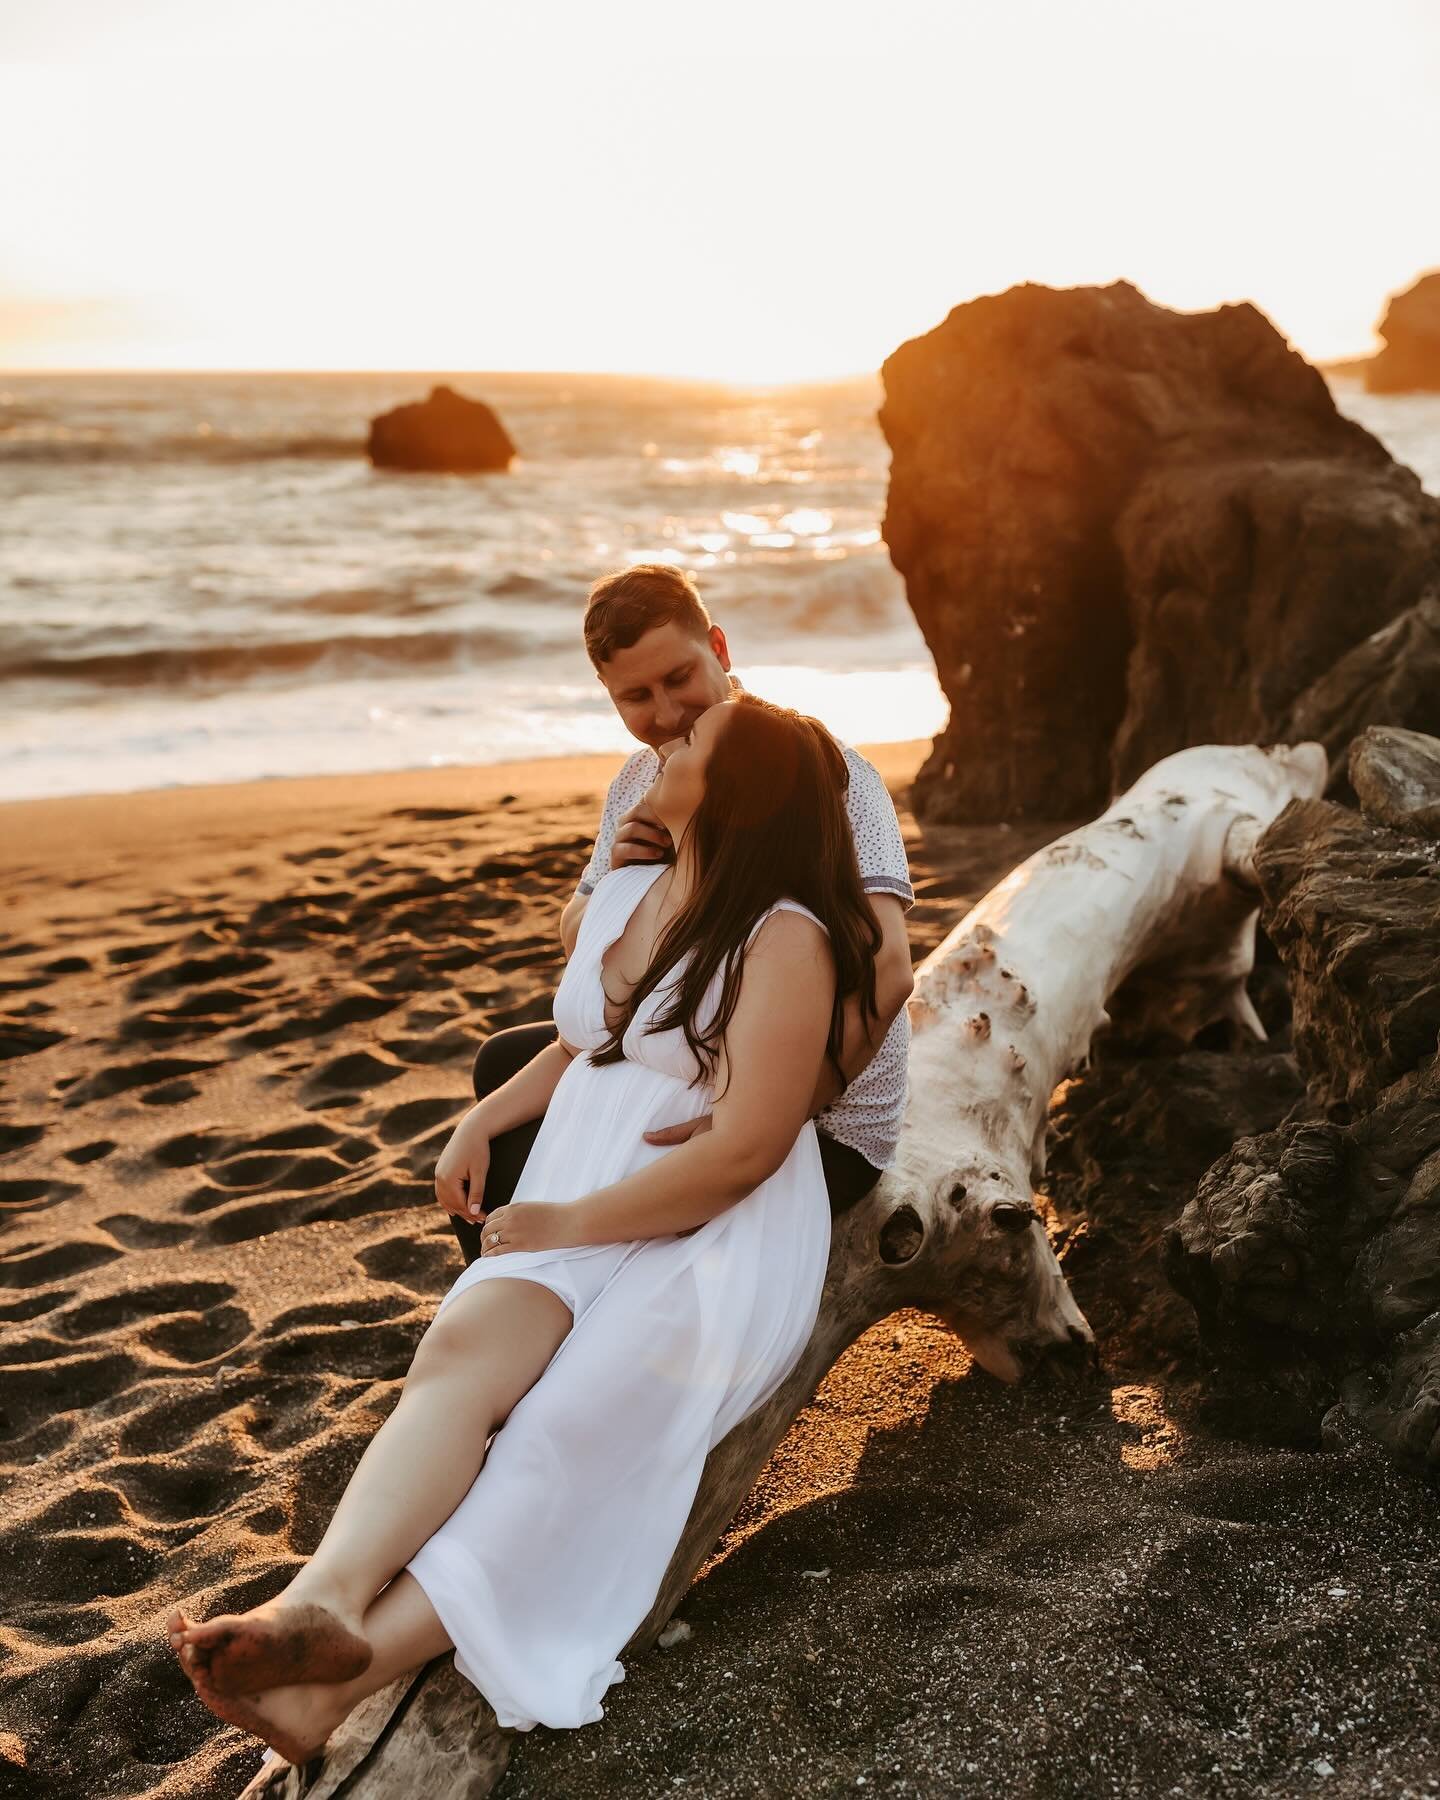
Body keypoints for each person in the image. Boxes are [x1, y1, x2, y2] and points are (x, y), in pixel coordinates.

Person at [166, 693, 892, 1763]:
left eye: (692, 741)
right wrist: (484, 1117)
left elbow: (742, 1152)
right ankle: (314, 1606)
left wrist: (569, 1217)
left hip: (711, 1235)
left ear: (731, 793)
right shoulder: (657, 885)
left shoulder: (786, 936)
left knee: (565, 1433)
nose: (669, 738)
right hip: (587, 1184)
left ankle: (337, 1683)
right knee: (458, 1357)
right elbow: (586, 1042)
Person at [441, 563, 916, 1257]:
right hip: (684, 1057)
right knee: (501, 1066)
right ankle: (511, 1295)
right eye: (636, 695)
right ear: (608, 696)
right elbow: (577, 939)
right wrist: (619, 881)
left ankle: (548, 1287)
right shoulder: (640, 781)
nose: (665, 714)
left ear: (719, 650)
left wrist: (772, 1112)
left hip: (821, 1117)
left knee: (541, 1136)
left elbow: (891, 970)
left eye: (679, 679)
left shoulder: (823, 770)